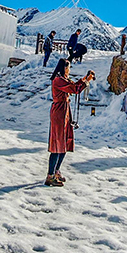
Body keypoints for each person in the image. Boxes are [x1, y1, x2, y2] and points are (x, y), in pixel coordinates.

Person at [46, 59, 94, 187]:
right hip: (59, 113)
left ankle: (56, 171)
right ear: (64, 68)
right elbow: (75, 89)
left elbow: (74, 85)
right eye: (69, 67)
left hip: (64, 112)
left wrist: (84, 79)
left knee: (64, 143)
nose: (70, 69)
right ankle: (50, 175)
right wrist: (86, 81)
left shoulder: (62, 79)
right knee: (57, 145)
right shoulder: (59, 80)